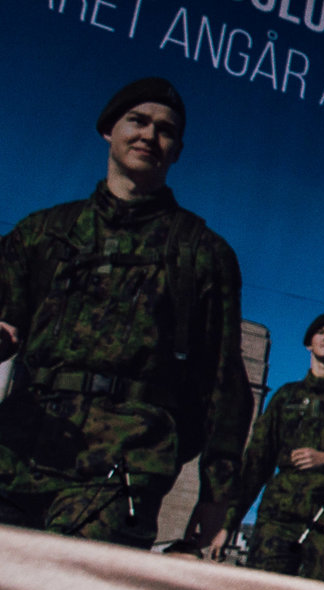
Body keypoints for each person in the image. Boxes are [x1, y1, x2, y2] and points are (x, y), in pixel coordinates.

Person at [0, 79, 249, 548]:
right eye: (137, 121)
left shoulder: (201, 253)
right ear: (108, 130)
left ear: (176, 151)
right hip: (17, 448)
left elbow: (225, 382)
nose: (149, 136)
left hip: (122, 468)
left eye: (166, 130)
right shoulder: (44, 233)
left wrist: (218, 496)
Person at [229, 313, 324, 581]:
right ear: (308, 344)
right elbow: (257, 461)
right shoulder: (286, 396)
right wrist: (228, 522)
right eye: (321, 332)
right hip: (278, 520)